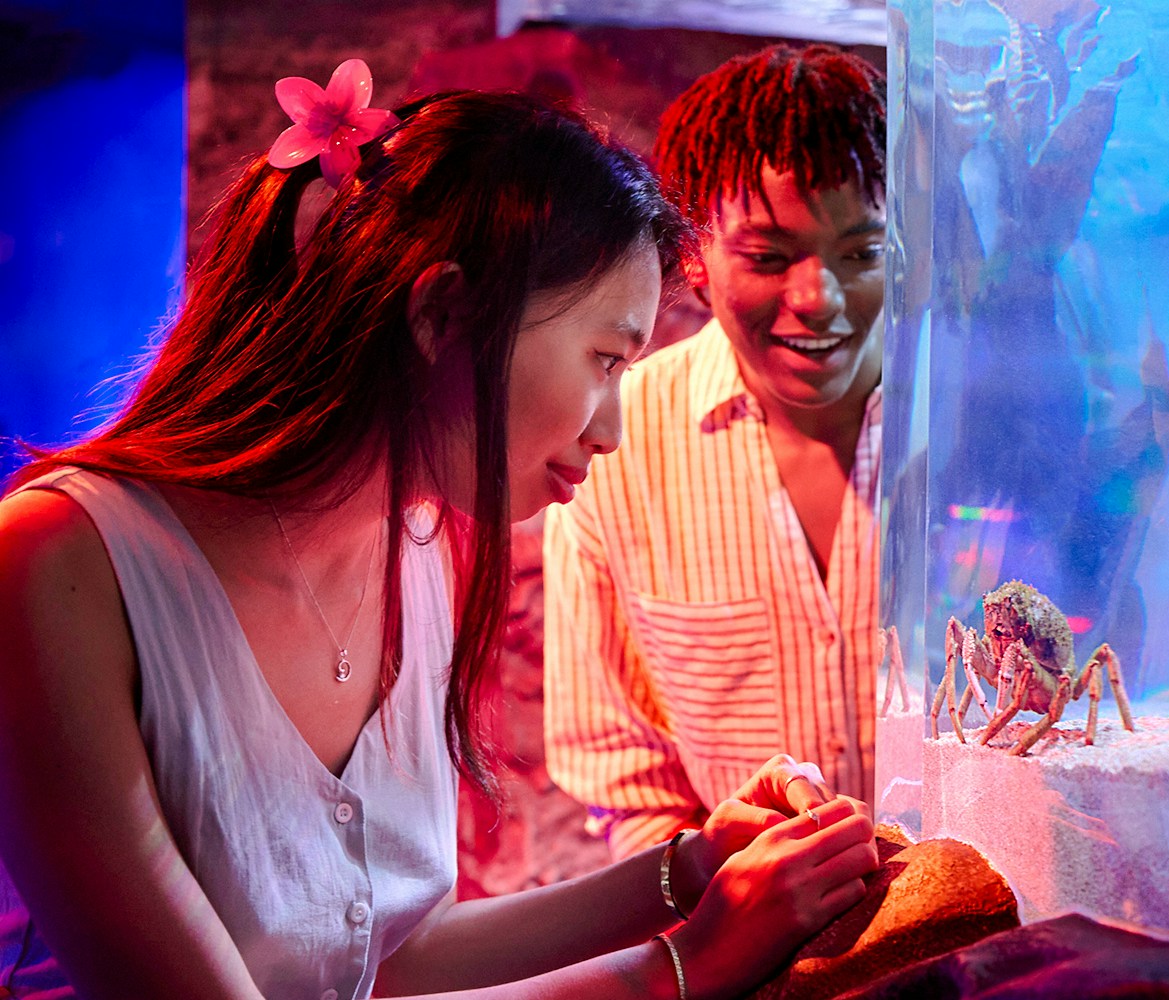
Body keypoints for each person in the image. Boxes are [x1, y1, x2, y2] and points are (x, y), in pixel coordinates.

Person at [0, 62, 877, 1000]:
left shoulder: (413, 544)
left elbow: (393, 952)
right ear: (441, 313)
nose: (614, 429)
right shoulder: (56, 566)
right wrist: (685, 967)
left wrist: (688, 872)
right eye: (605, 359)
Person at [543, 44, 888, 860]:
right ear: (693, 254)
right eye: (769, 257)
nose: (820, 298)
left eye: (863, 254)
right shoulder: (617, 445)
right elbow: (629, 782)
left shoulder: (979, 427)